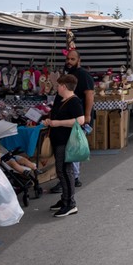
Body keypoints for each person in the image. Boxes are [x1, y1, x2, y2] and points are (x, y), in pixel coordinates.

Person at [50, 49, 94, 192]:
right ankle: (71, 179)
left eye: (72, 59)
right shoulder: (69, 74)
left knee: (73, 148)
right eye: (68, 58)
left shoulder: (83, 75)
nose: (69, 61)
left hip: (77, 117)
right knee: (70, 149)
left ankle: (72, 179)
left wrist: (87, 116)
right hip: (69, 117)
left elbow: (89, 95)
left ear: (79, 61)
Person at [42, 74, 85, 218]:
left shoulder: (74, 101)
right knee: (62, 170)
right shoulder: (61, 100)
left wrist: (58, 123)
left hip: (66, 141)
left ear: (64, 86)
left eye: (58, 85)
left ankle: (70, 203)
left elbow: (81, 120)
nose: (57, 88)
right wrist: (49, 121)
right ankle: (65, 200)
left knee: (65, 171)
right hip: (58, 139)